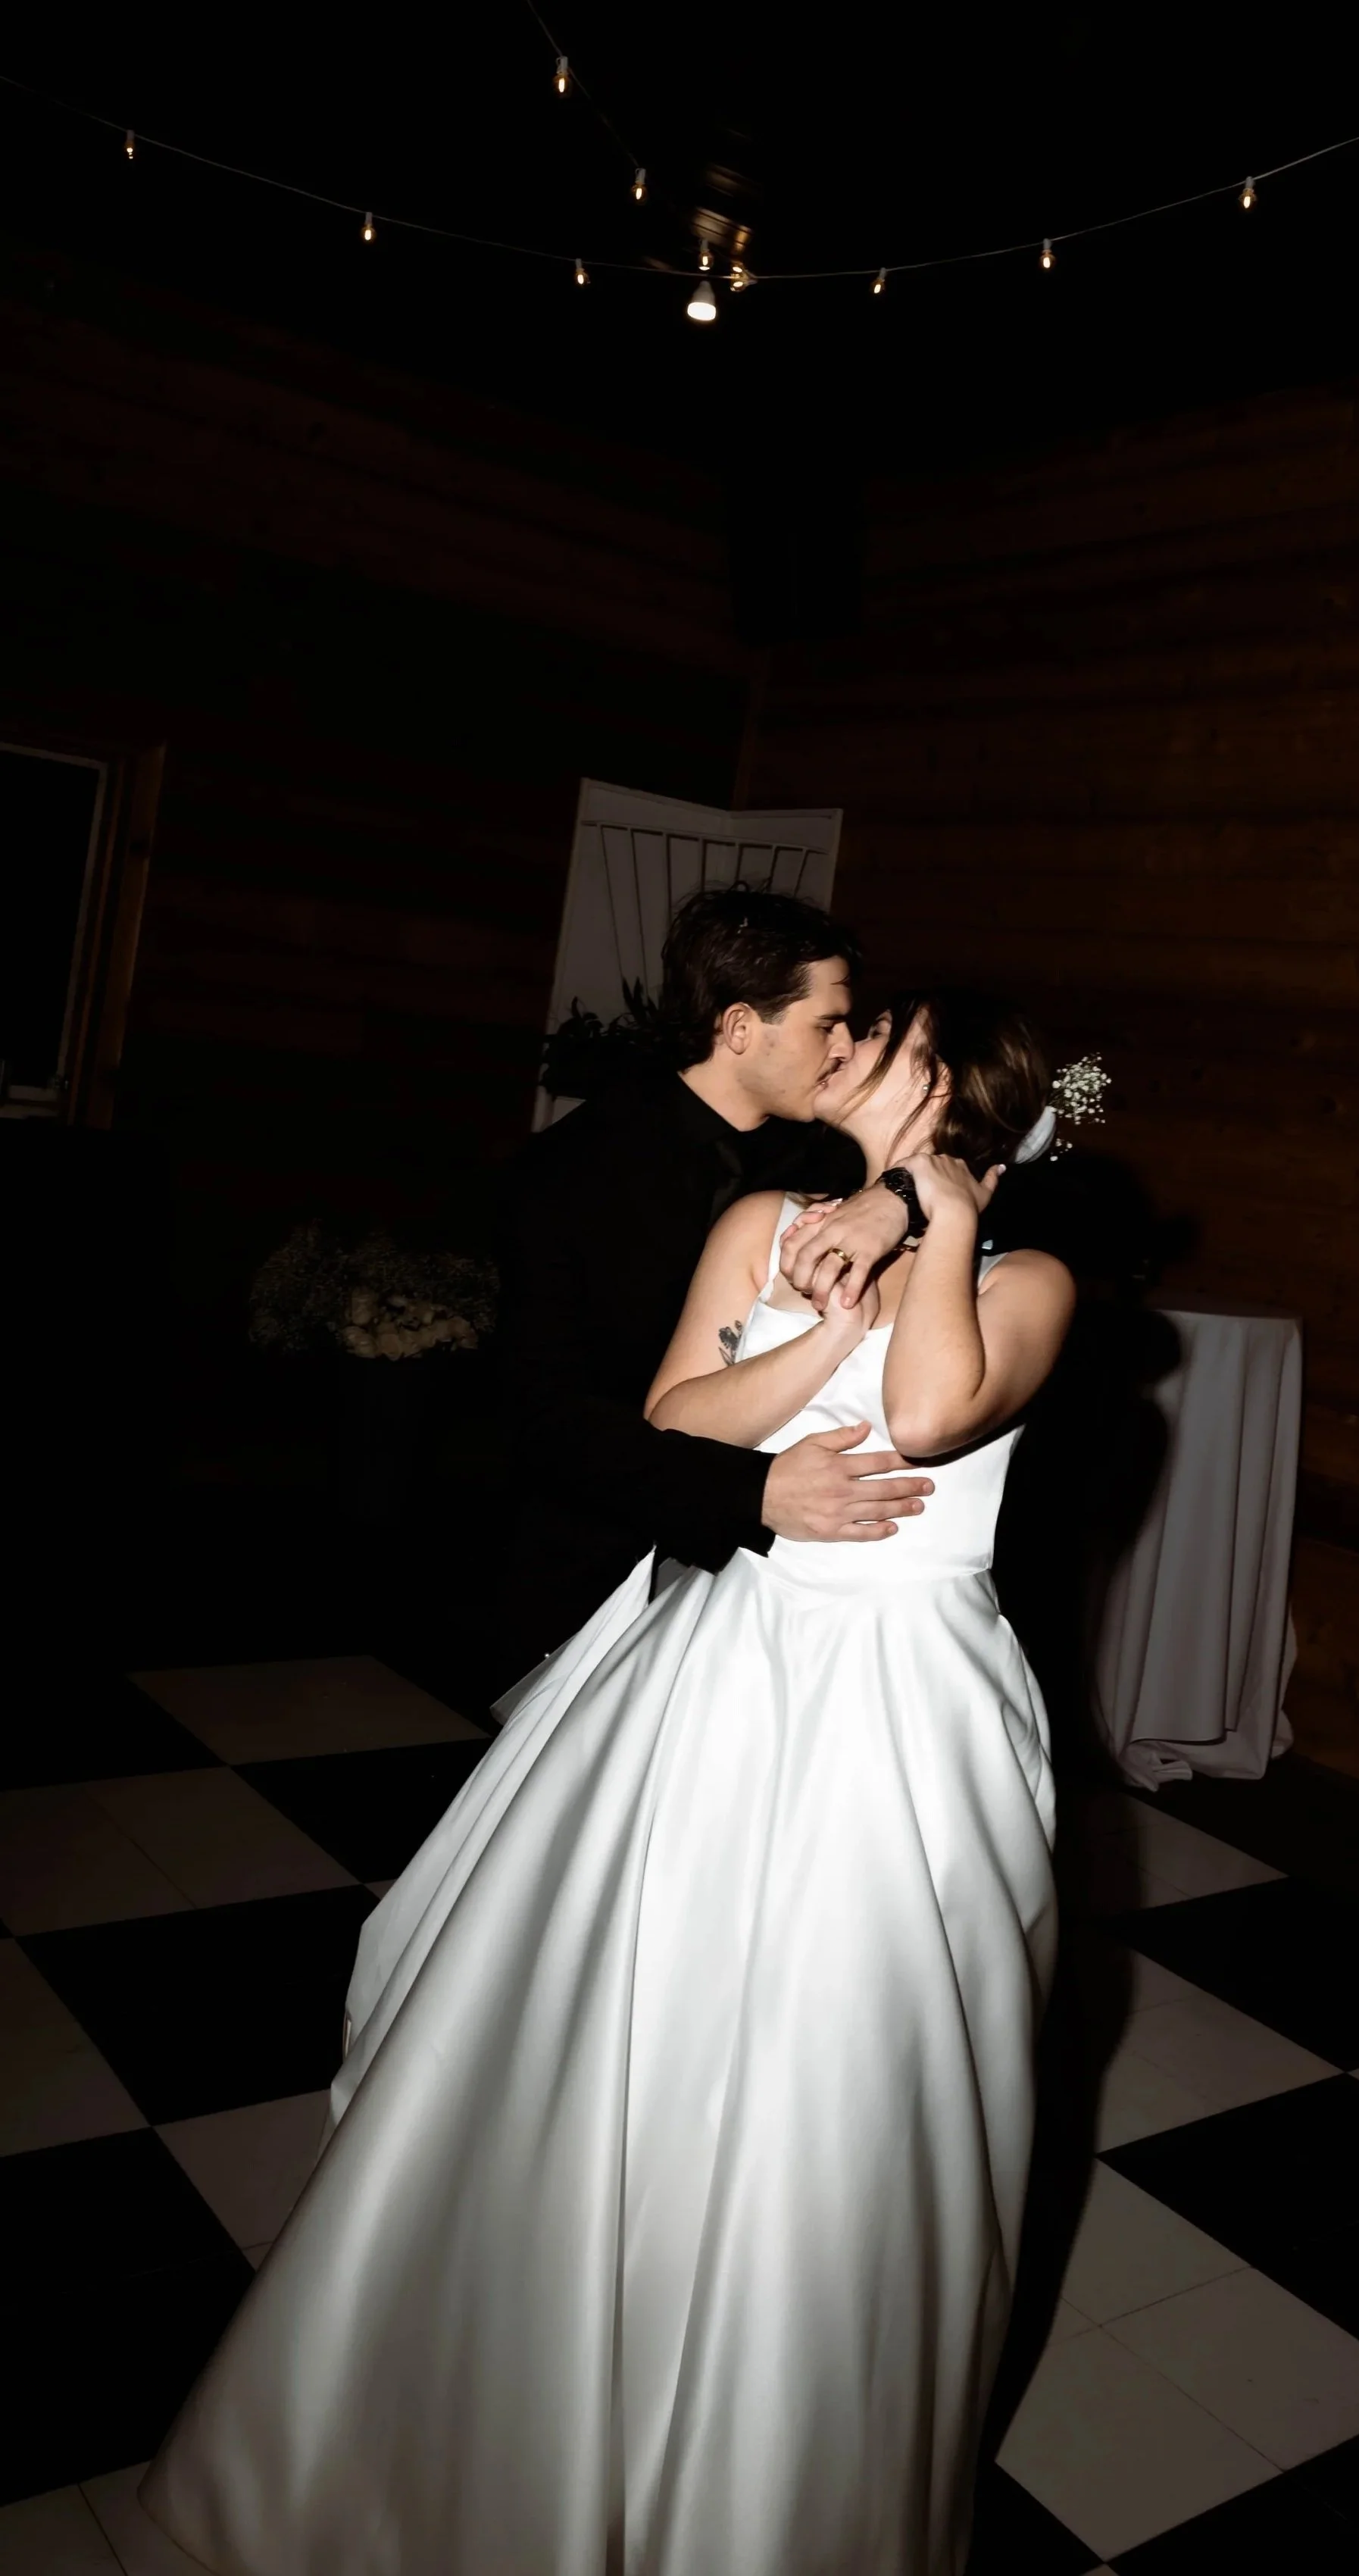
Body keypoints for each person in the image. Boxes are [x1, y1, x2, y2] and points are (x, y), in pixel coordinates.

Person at [140, 987, 1076, 2576]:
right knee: (627, 2035)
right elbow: (673, 1417)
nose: (846, 1047)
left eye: (890, 1041)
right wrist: (817, 1337)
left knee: (836, 2078)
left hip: (904, 1703)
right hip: (722, 1661)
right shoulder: (759, 1220)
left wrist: (938, 1215)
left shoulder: (1031, 1278)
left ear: (959, 1100)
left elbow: (929, 1414)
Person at [496, 883, 933, 1680]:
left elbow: (986, 1170)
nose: (843, 1047)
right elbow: (545, 1417)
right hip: (602, 1576)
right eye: (825, 1023)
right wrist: (751, 1490)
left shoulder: (838, 1161)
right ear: (738, 1026)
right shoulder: (566, 1174)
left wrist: (901, 1197)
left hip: (811, 1602)